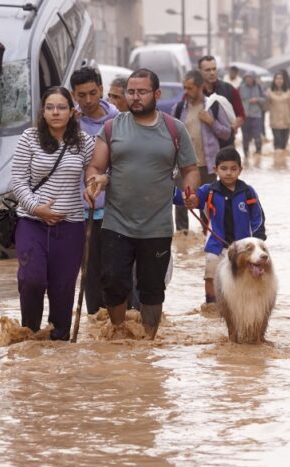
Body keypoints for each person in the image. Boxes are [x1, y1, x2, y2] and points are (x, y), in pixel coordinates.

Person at [85, 68, 199, 340]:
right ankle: (120, 332)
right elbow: (96, 166)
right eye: (131, 92)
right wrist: (94, 181)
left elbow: (190, 169)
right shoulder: (112, 127)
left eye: (142, 92)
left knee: (152, 290)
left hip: (157, 226)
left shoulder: (174, 129)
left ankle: (148, 342)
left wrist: (190, 191)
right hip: (116, 223)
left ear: (156, 94)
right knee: (112, 283)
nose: (135, 98)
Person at [10, 86, 94, 341]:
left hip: (70, 227)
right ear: (43, 112)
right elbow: (18, 181)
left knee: (63, 289)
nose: (55, 112)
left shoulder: (84, 142)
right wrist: (38, 208)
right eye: (50, 107)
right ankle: (30, 335)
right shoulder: (29, 138)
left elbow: (94, 171)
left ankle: (59, 345)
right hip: (31, 222)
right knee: (32, 279)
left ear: (71, 112)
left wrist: (92, 186)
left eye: (61, 107)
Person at [175, 146, 265, 306]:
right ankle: (211, 305)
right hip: (216, 246)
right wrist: (179, 195)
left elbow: (258, 218)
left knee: (245, 277)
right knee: (210, 275)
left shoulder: (248, 192)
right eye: (224, 168)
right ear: (215, 170)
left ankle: (242, 306)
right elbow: (190, 199)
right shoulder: (208, 191)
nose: (228, 172)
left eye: (233, 169)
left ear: (240, 170)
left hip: (243, 248)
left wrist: (258, 242)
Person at [70, 67, 119, 315]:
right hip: (82, 212)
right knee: (89, 275)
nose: (88, 100)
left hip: (115, 211)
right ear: (74, 95)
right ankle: (96, 326)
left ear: (101, 89)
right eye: (82, 95)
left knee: (116, 273)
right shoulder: (70, 124)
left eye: (92, 93)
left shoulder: (118, 121)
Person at [172, 70, 231, 233]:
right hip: (184, 165)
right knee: (181, 204)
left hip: (207, 165)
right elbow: (170, 135)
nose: (186, 92)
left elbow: (227, 133)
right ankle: (183, 240)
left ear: (200, 87)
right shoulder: (178, 109)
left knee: (207, 205)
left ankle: (208, 237)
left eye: (190, 88)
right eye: (184, 88)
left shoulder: (214, 106)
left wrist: (212, 122)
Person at [198, 56, 245, 143]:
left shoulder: (229, 90)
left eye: (214, 69)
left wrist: (232, 128)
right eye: (207, 70)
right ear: (200, 71)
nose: (212, 73)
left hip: (225, 145)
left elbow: (241, 115)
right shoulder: (196, 92)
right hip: (203, 145)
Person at [267, 71, 290, 152]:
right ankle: (277, 163)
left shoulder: (288, 91)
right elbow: (266, 107)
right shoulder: (269, 92)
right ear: (274, 80)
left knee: (284, 145)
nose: (279, 80)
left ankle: (282, 163)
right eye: (277, 78)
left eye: (281, 78)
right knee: (278, 144)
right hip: (275, 122)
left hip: (286, 122)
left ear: (283, 80)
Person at [239, 72, 265, 159]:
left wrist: (257, 100)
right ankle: (246, 155)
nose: (248, 80)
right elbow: (236, 100)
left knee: (257, 135)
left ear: (253, 79)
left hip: (256, 115)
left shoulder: (259, 87)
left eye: (250, 78)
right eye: (247, 78)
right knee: (245, 137)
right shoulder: (240, 88)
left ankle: (258, 154)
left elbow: (265, 99)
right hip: (244, 116)